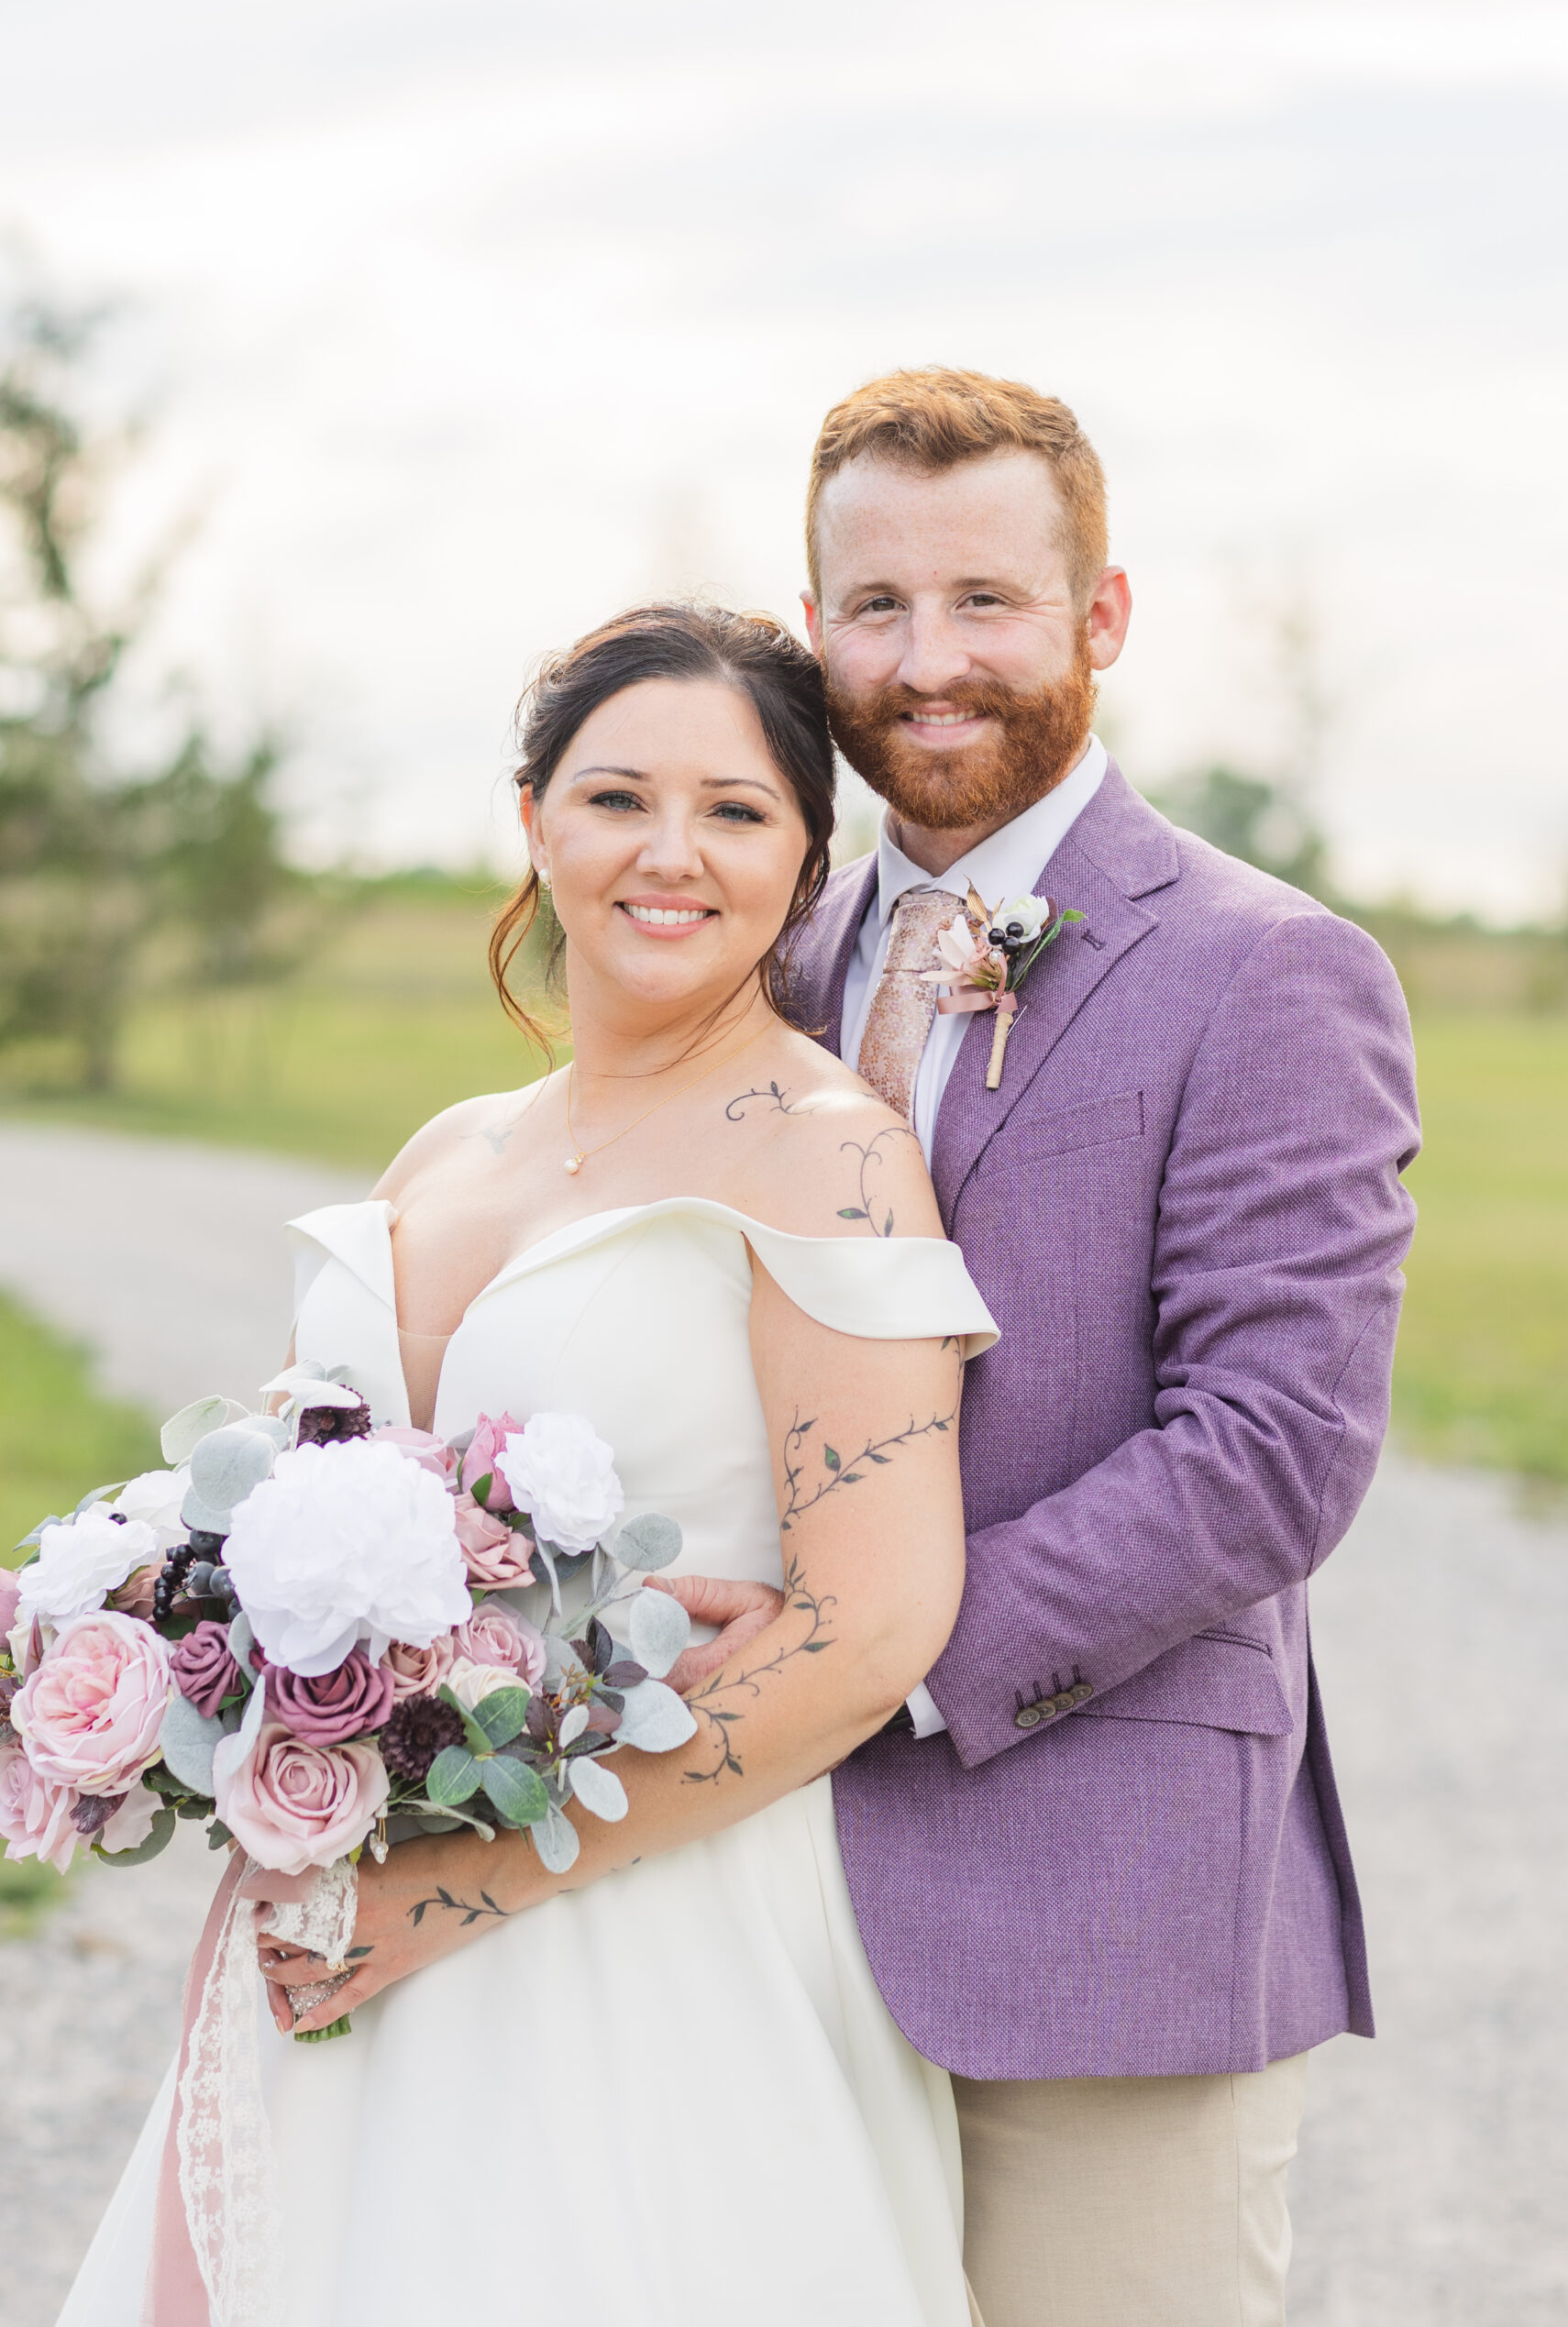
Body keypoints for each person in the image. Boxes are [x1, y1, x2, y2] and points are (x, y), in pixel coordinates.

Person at [60, 604, 997, 2327]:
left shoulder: (828, 1161)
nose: (669, 853)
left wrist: (461, 1885)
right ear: (534, 823)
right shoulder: (450, 1149)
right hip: (341, 1910)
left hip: (648, 1933)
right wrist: (155, 1647)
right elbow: (277, 1513)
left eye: (734, 812)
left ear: (804, 863)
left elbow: (875, 1625)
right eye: (617, 795)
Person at [770, 366, 1419, 2326]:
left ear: (1100, 619)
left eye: (987, 599)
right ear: (816, 632)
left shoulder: (1269, 968)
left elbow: (1275, 1448)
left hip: (1105, 1890)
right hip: (758, 1903)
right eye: (876, 607)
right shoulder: (768, 954)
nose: (928, 658)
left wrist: (870, 1656)